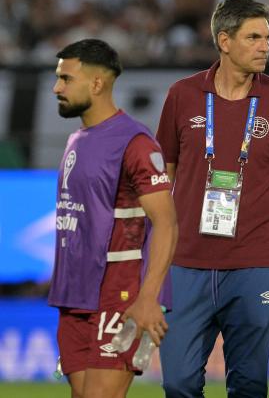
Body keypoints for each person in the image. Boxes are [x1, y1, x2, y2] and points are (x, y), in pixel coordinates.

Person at [156, 0, 269, 398]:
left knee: (247, 385)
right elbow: (162, 181)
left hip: (256, 263)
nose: (265, 46)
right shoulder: (182, 95)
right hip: (187, 262)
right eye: (254, 37)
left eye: (267, 38)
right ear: (224, 41)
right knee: (178, 383)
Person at [47, 39, 177, 398]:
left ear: (97, 83)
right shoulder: (77, 139)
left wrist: (149, 297)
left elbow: (166, 222)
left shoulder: (135, 142)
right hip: (76, 294)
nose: (57, 87)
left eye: (65, 78)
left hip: (119, 291)